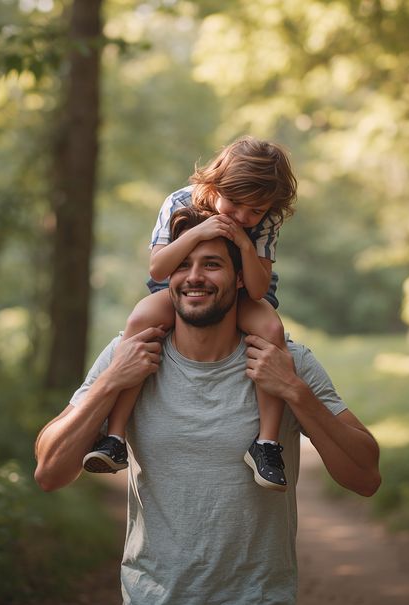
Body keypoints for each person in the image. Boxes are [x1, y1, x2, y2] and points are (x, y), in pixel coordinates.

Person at [34, 206, 382, 604]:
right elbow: (50, 472)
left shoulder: (285, 360)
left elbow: (365, 477)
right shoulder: (130, 353)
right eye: (182, 265)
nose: (194, 277)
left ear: (240, 280)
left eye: (211, 264)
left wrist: (295, 392)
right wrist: (111, 382)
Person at [83, 136, 298, 491]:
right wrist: (200, 232)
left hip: (243, 289)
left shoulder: (267, 218)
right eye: (235, 204)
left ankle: (267, 444)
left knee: (271, 330)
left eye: (255, 211)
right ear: (214, 185)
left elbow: (258, 289)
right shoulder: (180, 201)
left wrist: (245, 243)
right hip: (181, 287)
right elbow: (159, 269)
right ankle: (115, 437)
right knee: (139, 321)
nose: (244, 217)